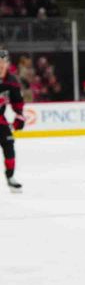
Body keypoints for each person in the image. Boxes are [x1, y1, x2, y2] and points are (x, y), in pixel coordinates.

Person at [0, 49, 25, 192]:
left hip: (0, 120)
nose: (1, 65)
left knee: (9, 144)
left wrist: (19, 115)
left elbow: (17, 101)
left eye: (4, 62)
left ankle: (10, 177)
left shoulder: (11, 81)